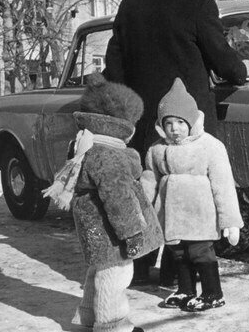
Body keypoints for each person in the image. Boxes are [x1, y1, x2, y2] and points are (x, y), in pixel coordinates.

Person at [103, 0, 249, 284]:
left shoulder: (131, 2)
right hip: (185, 123)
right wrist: (240, 69)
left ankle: (138, 266)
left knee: (146, 191)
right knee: (186, 191)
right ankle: (177, 270)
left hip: (143, 122)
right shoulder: (199, 2)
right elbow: (224, 61)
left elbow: (114, 65)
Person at [43, 72, 164, 332]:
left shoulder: (87, 146)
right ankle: (112, 325)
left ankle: (88, 318)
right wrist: (131, 232)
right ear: (121, 123)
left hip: (96, 228)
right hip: (111, 232)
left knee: (98, 270)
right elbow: (118, 198)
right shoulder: (109, 154)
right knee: (115, 274)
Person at [141, 78, 243, 311]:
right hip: (171, 217)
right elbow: (149, 181)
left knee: (200, 253)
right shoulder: (156, 150)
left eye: (180, 122)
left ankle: (212, 293)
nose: (174, 128)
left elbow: (224, 185)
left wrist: (231, 222)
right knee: (178, 253)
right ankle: (185, 290)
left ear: (191, 121)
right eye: (168, 123)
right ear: (161, 124)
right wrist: (143, 211)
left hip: (200, 215)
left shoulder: (210, 146)